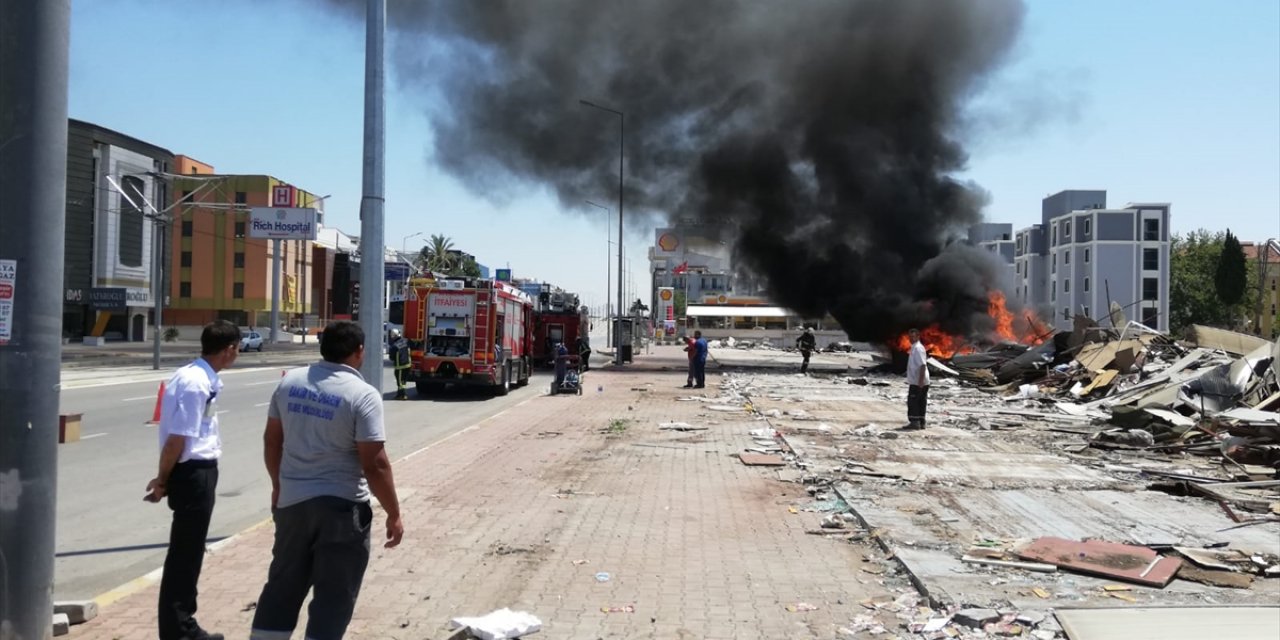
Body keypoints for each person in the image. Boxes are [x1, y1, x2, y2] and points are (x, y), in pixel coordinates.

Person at [250, 321, 404, 640]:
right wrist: (394, 512)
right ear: (359, 352)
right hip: (342, 509)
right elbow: (374, 463)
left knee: (282, 585)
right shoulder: (362, 395)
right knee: (334, 595)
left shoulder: (290, 383)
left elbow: (270, 441)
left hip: (292, 504)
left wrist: (279, 485)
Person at [146, 319, 240, 640]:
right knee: (185, 556)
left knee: (189, 553)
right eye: (236, 349)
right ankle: (180, 630)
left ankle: (183, 625)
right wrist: (162, 480)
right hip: (193, 474)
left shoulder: (199, 377)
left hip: (197, 472)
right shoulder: (196, 383)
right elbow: (177, 439)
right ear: (229, 350)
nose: (237, 354)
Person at [905, 328, 931, 429]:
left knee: (913, 401)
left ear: (918, 336)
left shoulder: (918, 348)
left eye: (913, 336)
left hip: (918, 381)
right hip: (919, 380)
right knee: (920, 401)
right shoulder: (914, 348)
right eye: (910, 336)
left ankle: (915, 422)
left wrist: (920, 381)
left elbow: (922, 365)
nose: (911, 338)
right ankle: (921, 422)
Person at [388, 329, 411, 400]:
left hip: (400, 366)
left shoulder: (394, 346)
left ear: (392, 336)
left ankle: (403, 395)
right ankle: (399, 394)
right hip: (408, 365)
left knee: (400, 382)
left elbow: (391, 358)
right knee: (403, 381)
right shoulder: (406, 341)